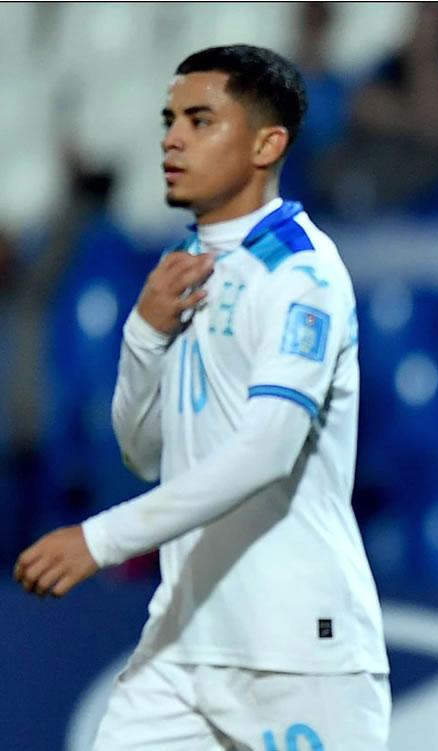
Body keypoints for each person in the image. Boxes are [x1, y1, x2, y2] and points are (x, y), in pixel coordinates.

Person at [13, 45, 390, 749]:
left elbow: (266, 451)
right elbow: (142, 450)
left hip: (293, 646)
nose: (172, 138)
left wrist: (99, 538)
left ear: (266, 144)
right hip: (183, 639)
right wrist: (144, 334)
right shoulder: (185, 267)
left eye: (199, 119)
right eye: (168, 119)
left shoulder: (302, 274)